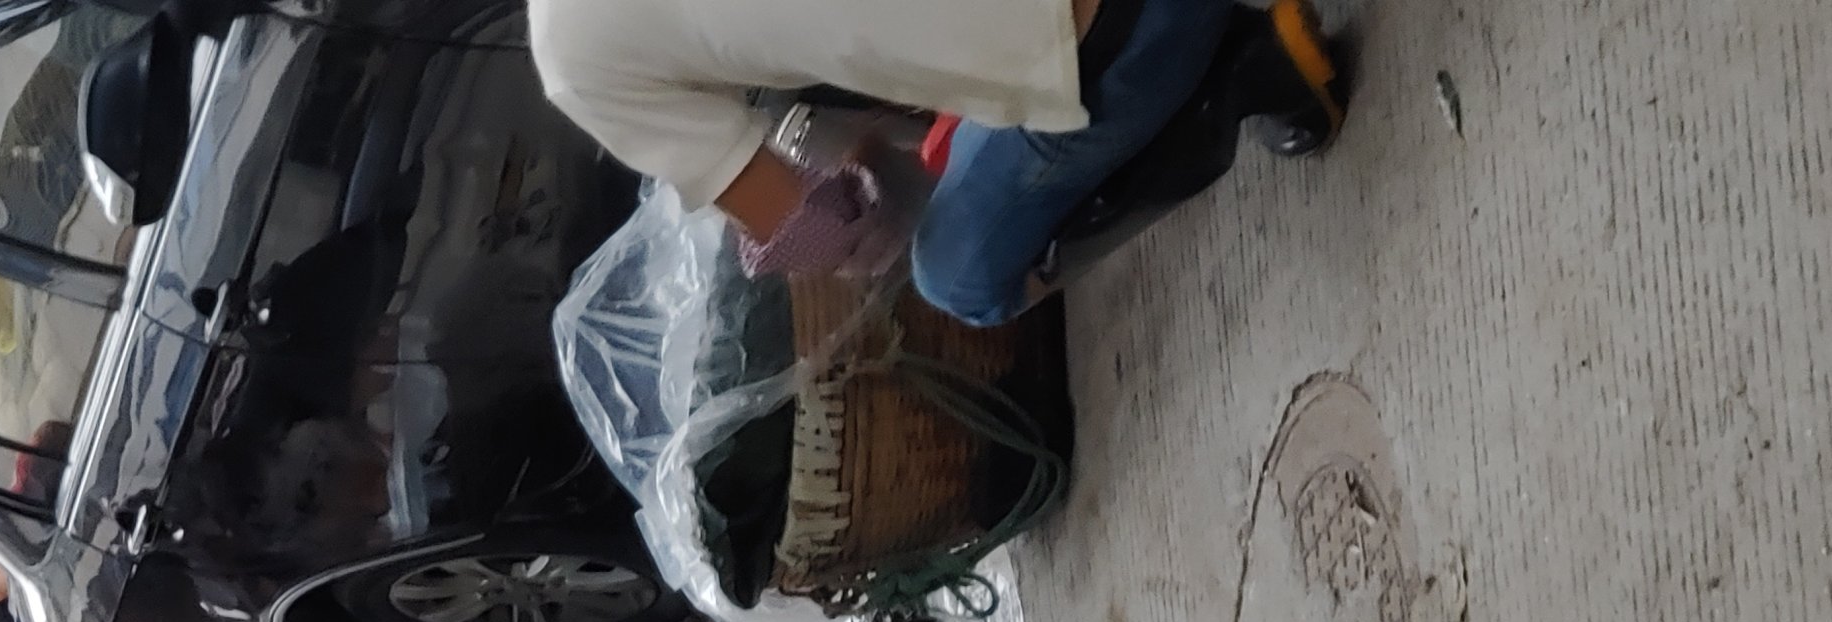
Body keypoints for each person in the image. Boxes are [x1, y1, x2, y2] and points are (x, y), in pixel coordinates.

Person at [527, 0, 1344, 327]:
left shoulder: (572, 58)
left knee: (957, 278)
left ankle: (1241, 73)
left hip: (1124, 28)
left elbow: (812, 227)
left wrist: (859, 171)